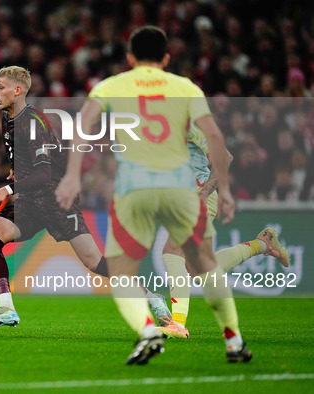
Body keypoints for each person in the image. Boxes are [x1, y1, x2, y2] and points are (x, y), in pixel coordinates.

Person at [55, 26, 252, 365]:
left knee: (125, 268)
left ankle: (154, 331)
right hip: (178, 191)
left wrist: (73, 175)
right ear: (166, 58)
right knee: (202, 263)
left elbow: (82, 129)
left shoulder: (111, 86)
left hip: (141, 188)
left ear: (130, 57)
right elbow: (220, 145)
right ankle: (232, 340)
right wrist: (225, 191)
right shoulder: (186, 89)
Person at [0, 66, 109, 328]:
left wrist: (8, 189)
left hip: (55, 199)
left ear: (17, 90)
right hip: (29, 202)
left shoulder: (33, 122)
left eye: (0, 87)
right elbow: (21, 159)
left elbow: (44, 173)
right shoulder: (8, 117)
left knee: (93, 261)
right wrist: (15, 170)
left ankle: (151, 297)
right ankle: (6, 309)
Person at [147, 122, 290, 339]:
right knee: (198, 273)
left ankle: (178, 324)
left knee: (171, 252)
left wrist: (203, 195)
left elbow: (225, 157)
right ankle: (261, 244)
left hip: (198, 197)